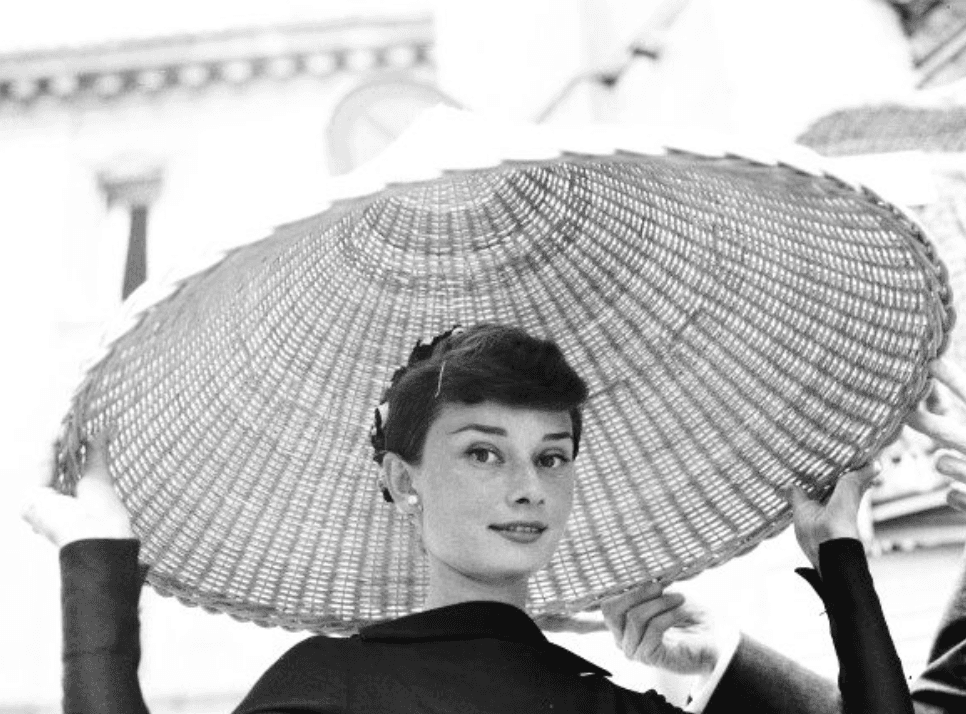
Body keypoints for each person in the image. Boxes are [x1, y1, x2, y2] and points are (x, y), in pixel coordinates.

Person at [24, 324, 919, 713]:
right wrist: (97, 564)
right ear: (402, 479)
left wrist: (838, 553)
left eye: (552, 455)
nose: (528, 486)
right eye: (483, 452)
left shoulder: (615, 705)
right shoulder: (330, 688)